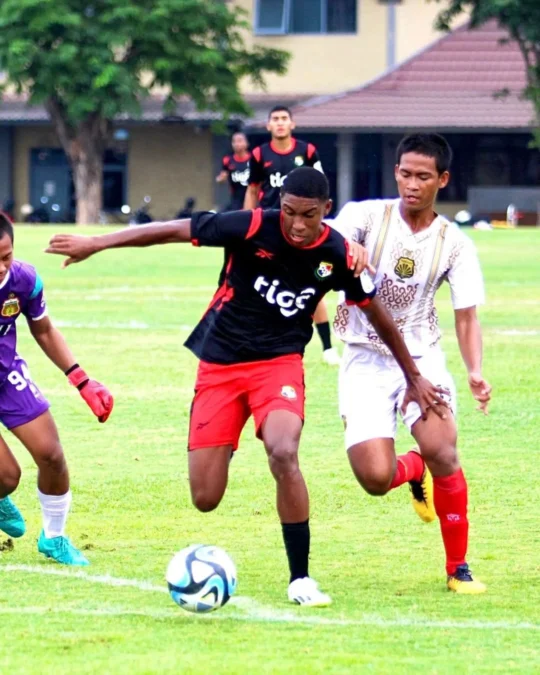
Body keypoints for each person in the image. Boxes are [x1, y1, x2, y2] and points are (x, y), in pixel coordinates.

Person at [46, 167, 447, 605]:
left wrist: (414, 376)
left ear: (325, 211)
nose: (296, 224)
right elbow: (171, 231)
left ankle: (301, 579)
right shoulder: (254, 224)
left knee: (283, 449)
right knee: (205, 497)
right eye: (289, 212)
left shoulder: (337, 253)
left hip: (278, 365)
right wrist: (95, 243)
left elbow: (377, 314)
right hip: (219, 365)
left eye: (308, 215)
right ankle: (225, 437)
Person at [330, 134, 491, 594]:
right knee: (376, 479)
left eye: (423, 176)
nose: (412, 184)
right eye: (405, 174)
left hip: (422, 358)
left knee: (443, 448)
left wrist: (475, 370)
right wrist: (341, 256)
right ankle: (411, 469)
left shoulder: (454, 244)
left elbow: (467, 316)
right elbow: (323, 254)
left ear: (442, 179)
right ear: (395, 172)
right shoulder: (364, 216)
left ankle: (458, 567)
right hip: (364, 357)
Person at [0, 214, 113, 565]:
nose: (0, 266)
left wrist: (81, 378)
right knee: (8, 477)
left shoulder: (24, 280)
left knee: (51, 454)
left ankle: (54, 536)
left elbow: (44, 330)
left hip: (6, 377)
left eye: (5, 256)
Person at [244, 105, 339, 366]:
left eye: (284, 119)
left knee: (312, 285)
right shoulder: (259, 154)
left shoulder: (307, 151)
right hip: (271, 229)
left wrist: (321, 220)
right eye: (275, 119)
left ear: (292, 124)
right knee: (262, 284)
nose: (280, 123)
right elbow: (253, 190)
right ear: (268, 126)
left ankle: (328, 347)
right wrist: (245, 223)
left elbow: (321, 188)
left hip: (302, 230)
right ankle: (261, 341)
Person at [216, 132, 251, 212]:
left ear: (246, 143)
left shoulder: (253, 160)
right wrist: (220, 179)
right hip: (236, 200)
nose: (237, 144)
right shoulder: (228, 160)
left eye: (239, 141)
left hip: (252, 198)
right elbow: (222, 176)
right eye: (234, 141)